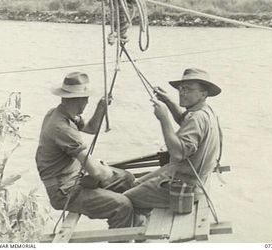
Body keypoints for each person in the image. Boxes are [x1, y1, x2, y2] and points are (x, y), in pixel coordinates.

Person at [35, 71, 134, 229]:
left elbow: (90, 128)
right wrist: (105, 171)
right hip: (64, 191)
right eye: (87, 98)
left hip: (74, 178)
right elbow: (97, 173)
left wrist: (101, 108)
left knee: (127, 179)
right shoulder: (62, 128)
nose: (88, 101)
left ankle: (137, 229)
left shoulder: (60, 113)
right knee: (122, 205)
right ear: (79, 99)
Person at [124, 68, 221, 214]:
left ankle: (132, 234)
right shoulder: (204, 111)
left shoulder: (197, 118)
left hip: (185, 188)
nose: (182, 92)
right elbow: (185, 121)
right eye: (181, 89)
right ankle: (141, 220)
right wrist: (168, 101)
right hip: (192, 179)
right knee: (134, 183)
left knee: (122, 201)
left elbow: (177, 154)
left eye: (188, 89)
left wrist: (164, 119)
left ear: (203, 94)